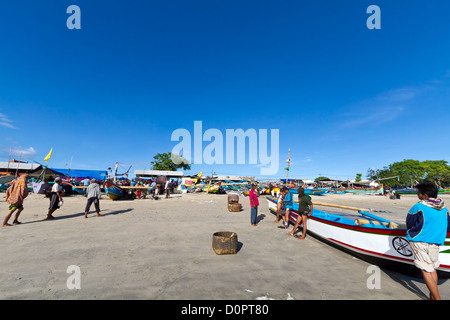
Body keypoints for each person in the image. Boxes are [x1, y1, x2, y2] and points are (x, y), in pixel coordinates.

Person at [406, 181, 450, 300]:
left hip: (419, 241)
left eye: (419, 193)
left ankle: (437, 298)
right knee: (432, 268)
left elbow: (409, 224)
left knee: (425, 269)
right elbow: (448, 226)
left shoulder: (418, 206)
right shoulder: (444, 208)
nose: (418, 195)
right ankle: (433, 296)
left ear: (425, 195)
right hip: (436, 242)